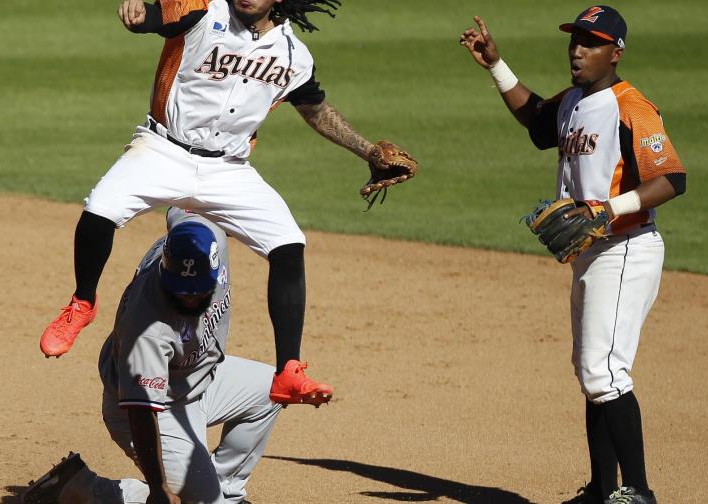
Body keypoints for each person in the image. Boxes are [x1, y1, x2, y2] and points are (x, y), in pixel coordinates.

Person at [39, 0, 415, 406]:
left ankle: (288, 370)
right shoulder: (202, 10)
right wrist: (137, 16)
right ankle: (83, 303)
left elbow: (315, 109)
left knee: (289, 245)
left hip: (229, 170)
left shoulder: (293, 55)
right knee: (100, 209)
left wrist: (368, 152)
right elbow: (155, 17)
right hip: (163, 151)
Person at [460, 6, 686, 504]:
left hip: (626, 248)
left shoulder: (632, 106)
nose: (578, 50)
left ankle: (639, 493)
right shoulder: (574, 101)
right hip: (590, 251)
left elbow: (671, 179)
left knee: (604, 372)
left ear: (616, 52)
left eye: (592, 42)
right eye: (574, 41)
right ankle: (603, 490)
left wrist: (608, 209)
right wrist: (497, 66)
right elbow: (538, 121)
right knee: (592, 374)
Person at [25, 208, 291, 504]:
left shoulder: (201, 234)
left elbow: (191, 199)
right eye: (180, 291)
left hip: (195, 379)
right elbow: (142, 413)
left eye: (197, 292)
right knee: (185, 498)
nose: (188, 298)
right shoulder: (148, 329)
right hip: (148, 408)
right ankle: (81, 487)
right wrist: (158, 487)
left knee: (272, 388)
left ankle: (227, 494)